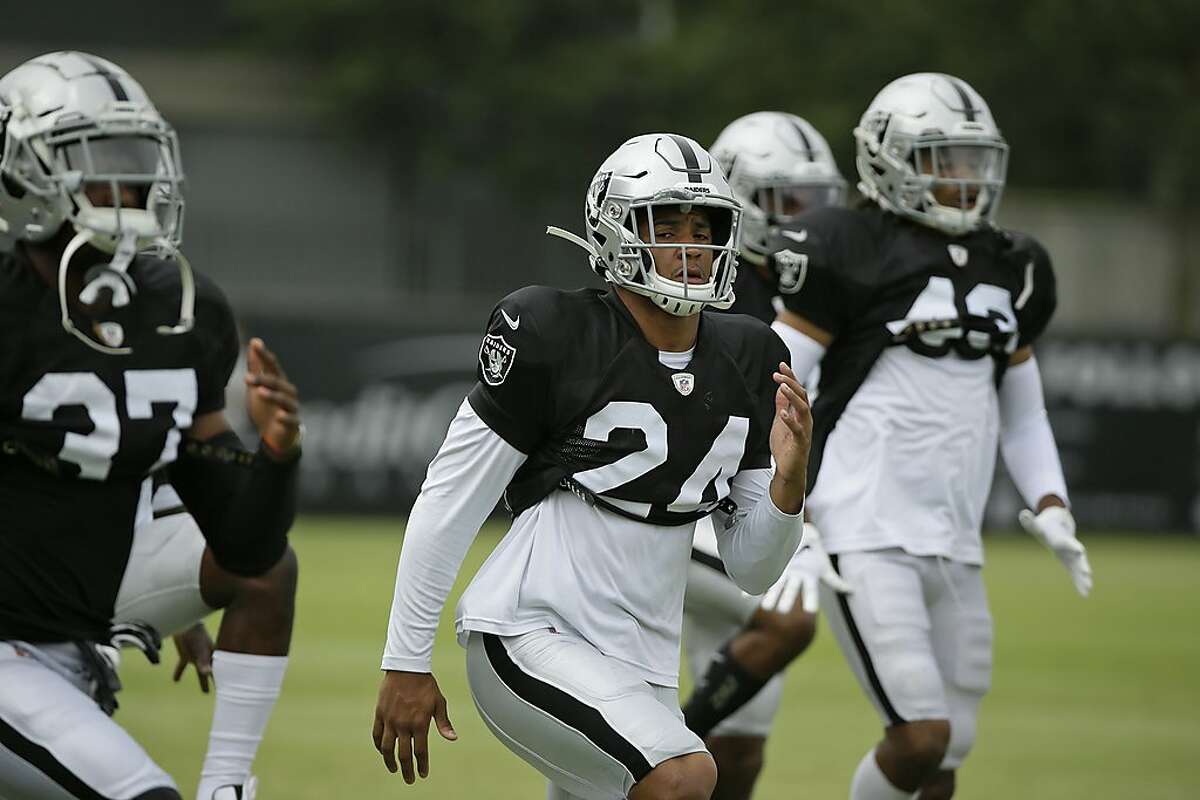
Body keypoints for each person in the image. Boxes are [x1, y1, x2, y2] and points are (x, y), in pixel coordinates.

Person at [372, 132, 812, 800]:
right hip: (528, 631)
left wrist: (787, 481)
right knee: (685, 777)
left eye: (705, 226)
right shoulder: (554, 330)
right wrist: (405, 661)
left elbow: (754, 570)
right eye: (668, 226)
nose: (692, 246)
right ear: (615, 231)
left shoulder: (748, 354)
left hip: (642, 660)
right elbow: (447, 502)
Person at [767, 73, 1092, 799]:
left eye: (974, 160)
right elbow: (769, 378)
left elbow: (1026, 411)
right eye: (945, 159)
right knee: (918, 736)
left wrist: (1050, 503)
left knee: (947, 756)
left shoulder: (1012, 264)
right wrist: (780, 509)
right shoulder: (848, 244)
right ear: (889, 160)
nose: (965, 179)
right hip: (862, 526)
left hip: (954, 537)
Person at [0, 51, 302, 800]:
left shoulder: (179, 305)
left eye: (133, 161)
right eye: (94, 162)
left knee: (271, 570)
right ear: (21, 174)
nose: (128, 184)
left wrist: (273, 454)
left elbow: (243, 541)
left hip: (78, 612)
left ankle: (229, 788)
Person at [679, 110, 850, 800]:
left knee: (742, 755)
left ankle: (667, 755)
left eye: (817, 200)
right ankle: (654, 760)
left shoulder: (809, 286)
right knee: (788, 620)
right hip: (679, 508)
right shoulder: (699, 281)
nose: (808, 217)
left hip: (748, 512)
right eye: (789, 200)